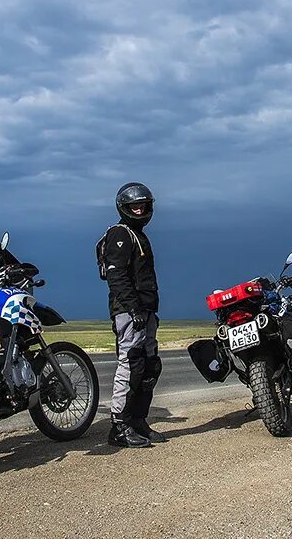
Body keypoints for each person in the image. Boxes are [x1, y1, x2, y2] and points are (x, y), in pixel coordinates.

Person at [101, 182, 165, 448]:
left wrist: (147, 310)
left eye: (143, 205)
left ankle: (138, 420)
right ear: (123, 208)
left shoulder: (138, 233)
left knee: (150, 367)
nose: (139, 210)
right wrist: (133, 307)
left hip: (146, 311)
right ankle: (119, 426)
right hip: (129, 312)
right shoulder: (119, 233)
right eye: (133, 206)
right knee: (131, 364)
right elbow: (115, 275)